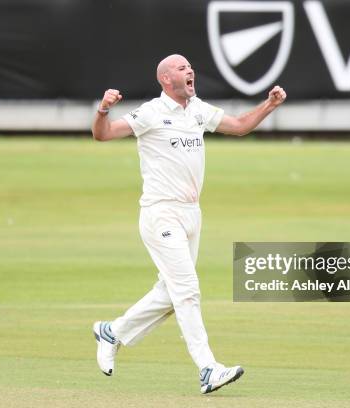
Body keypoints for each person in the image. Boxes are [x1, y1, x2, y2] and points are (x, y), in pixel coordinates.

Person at [91, 54, 286, 394]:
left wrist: (268, 105)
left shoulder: (197, 109)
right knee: (187, 292)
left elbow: (239, 126)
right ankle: (207, 368)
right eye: (182, 69)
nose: (190, 71)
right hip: (160, 213)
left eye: (190, 67)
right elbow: (103, 135)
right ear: (166, 80)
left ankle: (113, 332)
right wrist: (103, 109)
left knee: (169, 293)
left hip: (192, 214)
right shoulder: (151, 112)